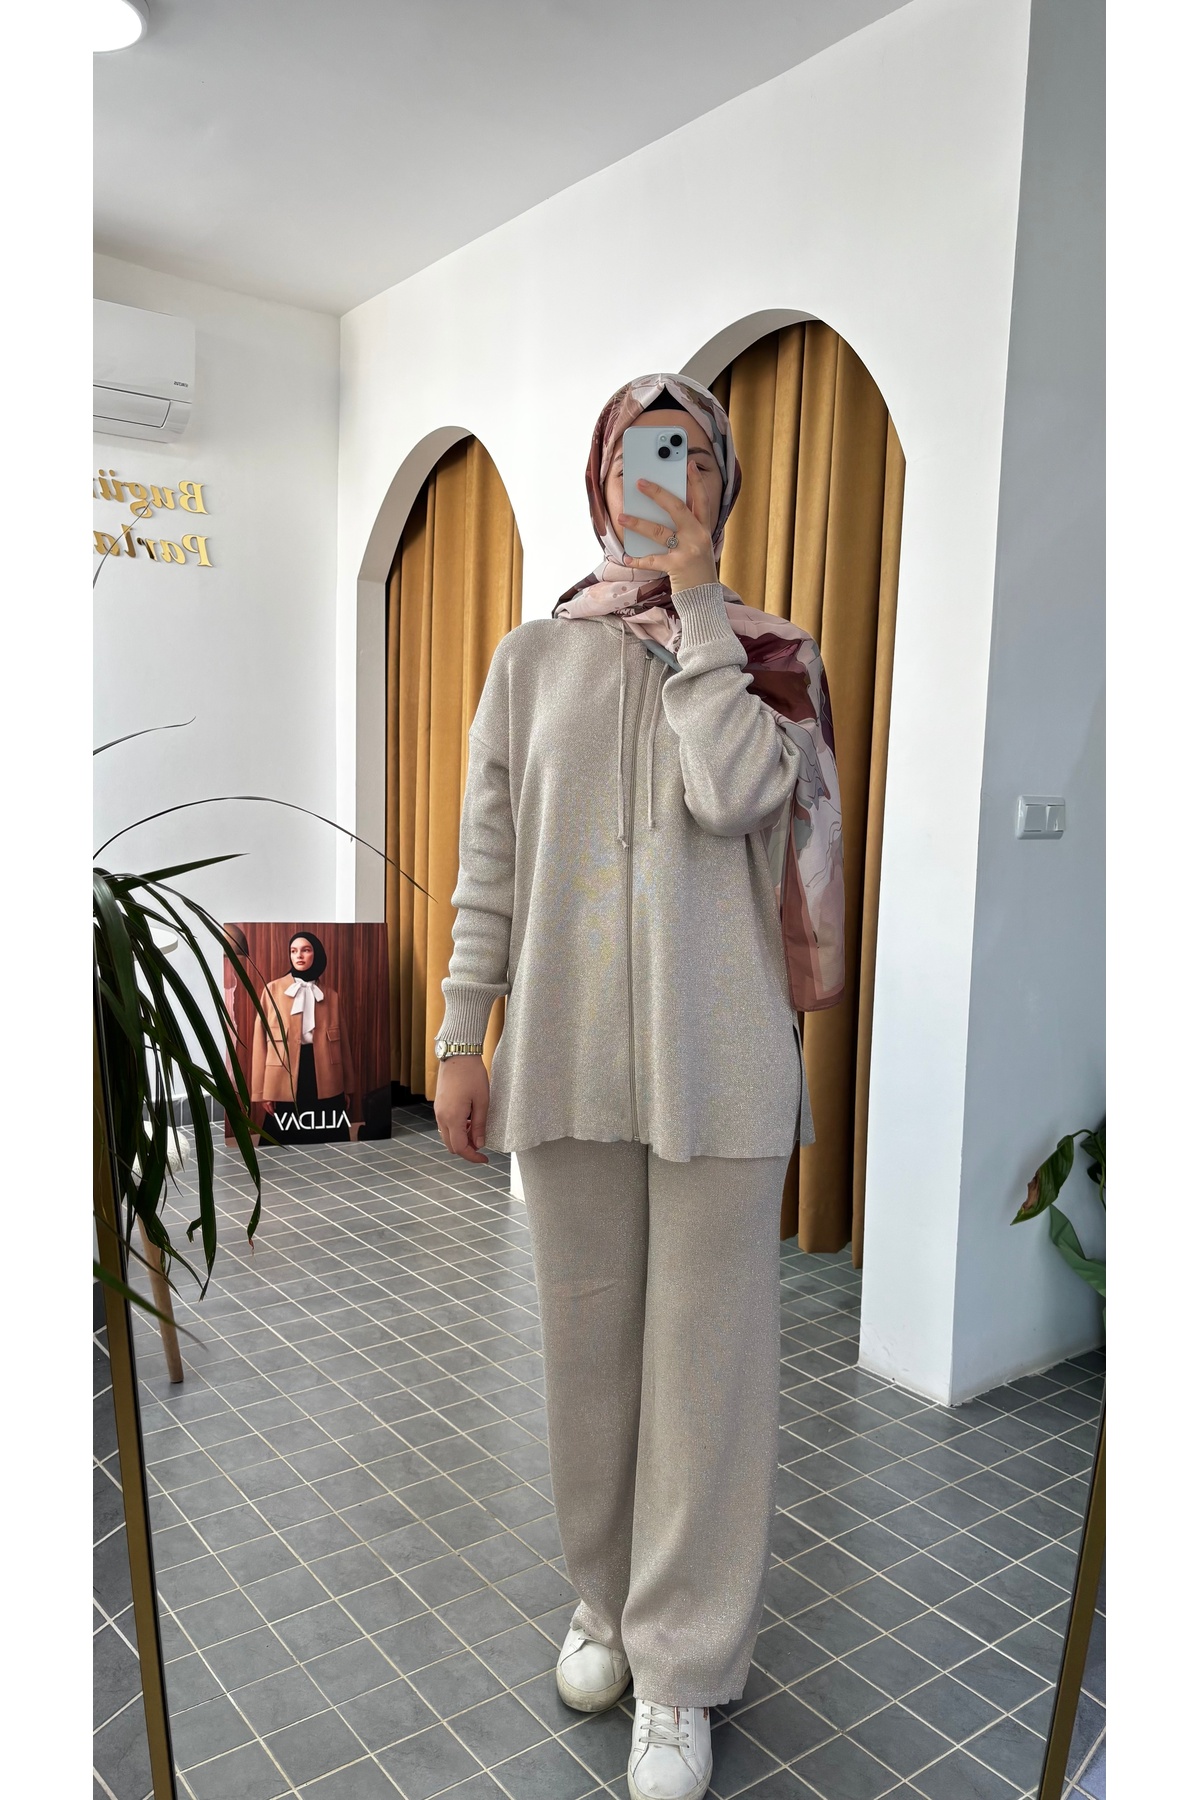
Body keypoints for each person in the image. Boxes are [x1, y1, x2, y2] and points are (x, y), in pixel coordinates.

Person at [433, 374, 842, 1800]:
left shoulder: (771, 656)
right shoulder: (530, 659)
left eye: (693, 458)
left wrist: (702, 609)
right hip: (565, 1060)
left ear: (721, 483)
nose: (664, 479)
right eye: (640, 458)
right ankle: (603, 1604)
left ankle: (681, 1670)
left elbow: (735, 794)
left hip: (724, 1072)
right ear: (601, 480)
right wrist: (460, 1029)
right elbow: (492, 857)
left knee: (707, 1378)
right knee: (589, 1358)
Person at [250, 930, 358, 1146]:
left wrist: (346, 1088)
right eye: (293, 951)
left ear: (316, 954)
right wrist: (263, 1091)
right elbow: (260, 1043)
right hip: (284, 1073)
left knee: (331, 1141)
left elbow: (342, 1045)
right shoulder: (272, 990)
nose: (298, 955)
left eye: (305, 950)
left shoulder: (331, 996)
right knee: (279, 1141)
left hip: (324, 1073)